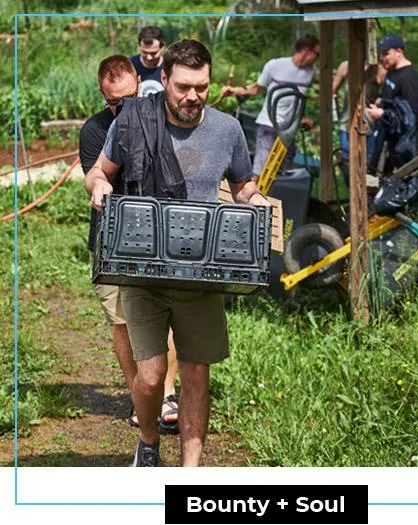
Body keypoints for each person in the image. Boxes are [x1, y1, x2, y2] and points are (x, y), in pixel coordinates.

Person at [84, 40, 271, 467]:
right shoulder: (132, 121)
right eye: (183, 87)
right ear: (164, 79)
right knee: (151, 377)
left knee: (196, 374)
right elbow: (97, 171)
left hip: (201, 275)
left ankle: (189, 473)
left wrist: (254, 198)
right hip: (142, 271)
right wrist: (100, 185)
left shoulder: (227, 130)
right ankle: (148, 441)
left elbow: (242, 186)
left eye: (201, 87)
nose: (192, 96)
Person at [79, 55, 180, 435]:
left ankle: (166, 394)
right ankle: (140, 399)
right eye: (113, 102)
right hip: (112, 241)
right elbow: (95, 176)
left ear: (140, 82)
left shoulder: (161, 116)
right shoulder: (94, 130)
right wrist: (99, 183)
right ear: (102, 95)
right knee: (122, 323)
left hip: (156, 237)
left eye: (128, 98)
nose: (122, 108)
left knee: (164, 316)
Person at [220, 33, 320, 179]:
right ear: (306, 51)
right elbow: (256, 89)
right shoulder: (276, 65)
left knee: (285, 173)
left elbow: (301, 98)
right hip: (269, 124)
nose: (317, 58)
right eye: (317, 54)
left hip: (289, 130)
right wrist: (234, 91)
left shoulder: (311, 73)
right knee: (262, 171)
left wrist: (302, 117)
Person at [366, 34, 418, 156]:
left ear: (399, 52)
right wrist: (381, 101)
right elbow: (393, 100)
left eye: (386, 53)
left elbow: (411, 117)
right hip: (391, 140)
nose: (382, 58)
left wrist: (383, 114)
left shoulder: (409, 78)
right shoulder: (392, 71)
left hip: (409, 144)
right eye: (381, 54)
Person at [332, 59, 387, 162]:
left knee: (365, 163)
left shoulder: (379, 70)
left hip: (368, 125)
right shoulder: (346, 66)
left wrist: (379, 105)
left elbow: (385, 97)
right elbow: (332, 90)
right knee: (346, 160)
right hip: (346, 123)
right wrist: (336, 114)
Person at [129, 26, 166, 97]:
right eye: (144, 52)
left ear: (162, 48)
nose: (149, 57)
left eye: (153, 53)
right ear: (139, 46)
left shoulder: (170, 66)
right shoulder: (129, 65)